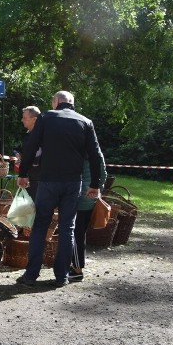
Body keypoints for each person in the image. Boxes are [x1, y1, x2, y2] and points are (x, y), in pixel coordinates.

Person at [15, 91, 104, 287]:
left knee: (40, 226)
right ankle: (61, 276)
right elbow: (96, 155)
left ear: (56, 102)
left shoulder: (46, 117)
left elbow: (30, 146)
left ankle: (31, 275)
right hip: (73, 182)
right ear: (72, 103)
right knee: (67, 228)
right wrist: (95, 184)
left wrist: (23, 173)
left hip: (48, 181)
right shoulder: (85, 122)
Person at [71, 154, 107, 282]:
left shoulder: (78, 153)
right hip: (90, 199)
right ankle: (76, 266)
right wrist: (96, 191)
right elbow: (103, 176)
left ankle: (77, 269)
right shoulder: (97, 153)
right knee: (81, 233)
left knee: (76, 234)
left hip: (79, 198)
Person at [19, 106, 41, 200]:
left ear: (34, 119)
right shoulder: (29, 133)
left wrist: (23, 174)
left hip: (37, 178)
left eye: (25, 118)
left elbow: (36, 157)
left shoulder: (39, 135)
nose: (22, 120)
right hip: (31, 176)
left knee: (35, 207)